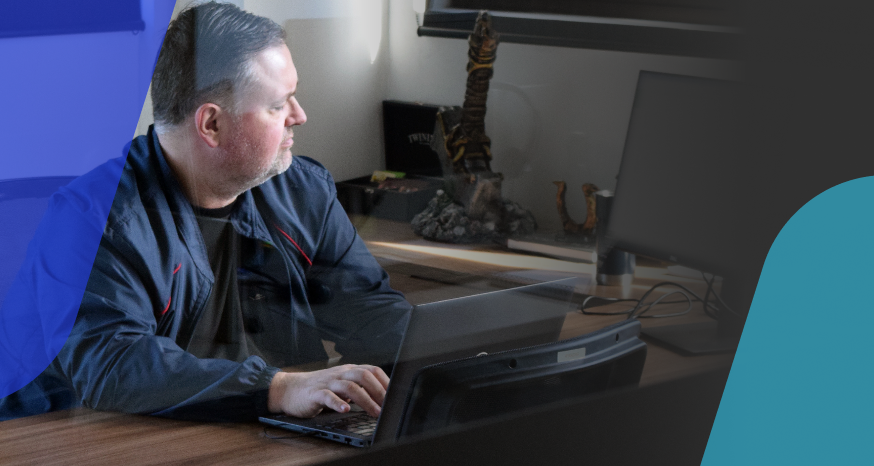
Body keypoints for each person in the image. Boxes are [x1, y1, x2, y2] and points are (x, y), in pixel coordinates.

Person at [0, 2, 411, 422]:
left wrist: (460, 354)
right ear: (211, 124)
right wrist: (278, 387)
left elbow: (370, 313)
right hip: (72, 438)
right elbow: (113, 365)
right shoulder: (93, 219)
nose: (299, 116)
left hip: (247, 430)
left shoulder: (303, 192)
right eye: (278, 104)